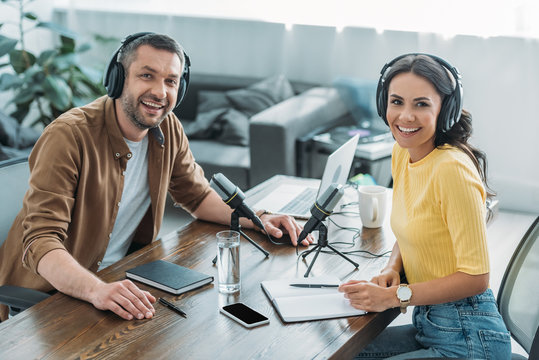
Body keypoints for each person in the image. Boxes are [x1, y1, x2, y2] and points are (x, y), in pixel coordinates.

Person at [0, 33, 312, 322]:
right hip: (50, 298)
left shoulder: (168, 128)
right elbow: (41, 241)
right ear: (118, 79)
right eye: (146, 76)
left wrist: (259, 219)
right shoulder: (68, 136)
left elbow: (198, 197)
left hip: (116, 283)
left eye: (171, 81)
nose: (160, 92)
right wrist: (97, 290)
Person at [339, 54, 511, 359]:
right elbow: (415, 224)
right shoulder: (401, 153)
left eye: (421, 104)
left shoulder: (452, 170)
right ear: (383, 104)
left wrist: (394, 296)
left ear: (445, 110)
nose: (405, 116)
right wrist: (393, 268)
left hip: (469, 337)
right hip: (429, 322)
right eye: (396, 102)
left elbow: (476, 278)